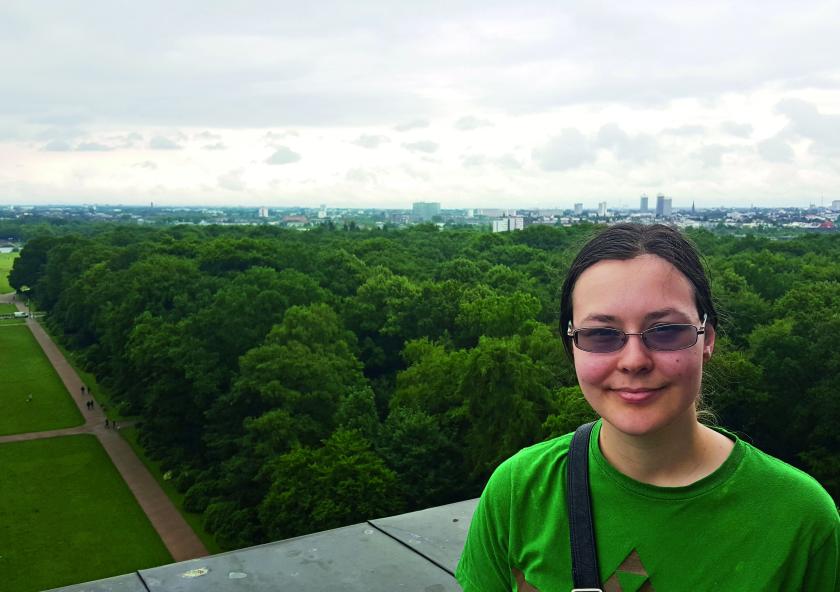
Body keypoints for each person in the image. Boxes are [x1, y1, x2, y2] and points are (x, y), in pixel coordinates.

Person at [456, 223, 838, 591]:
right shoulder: (519, 490)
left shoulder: (801, 519)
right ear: (571, 346)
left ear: (708, 339)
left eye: (666, 330)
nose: (634, 360)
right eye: (602, 334)